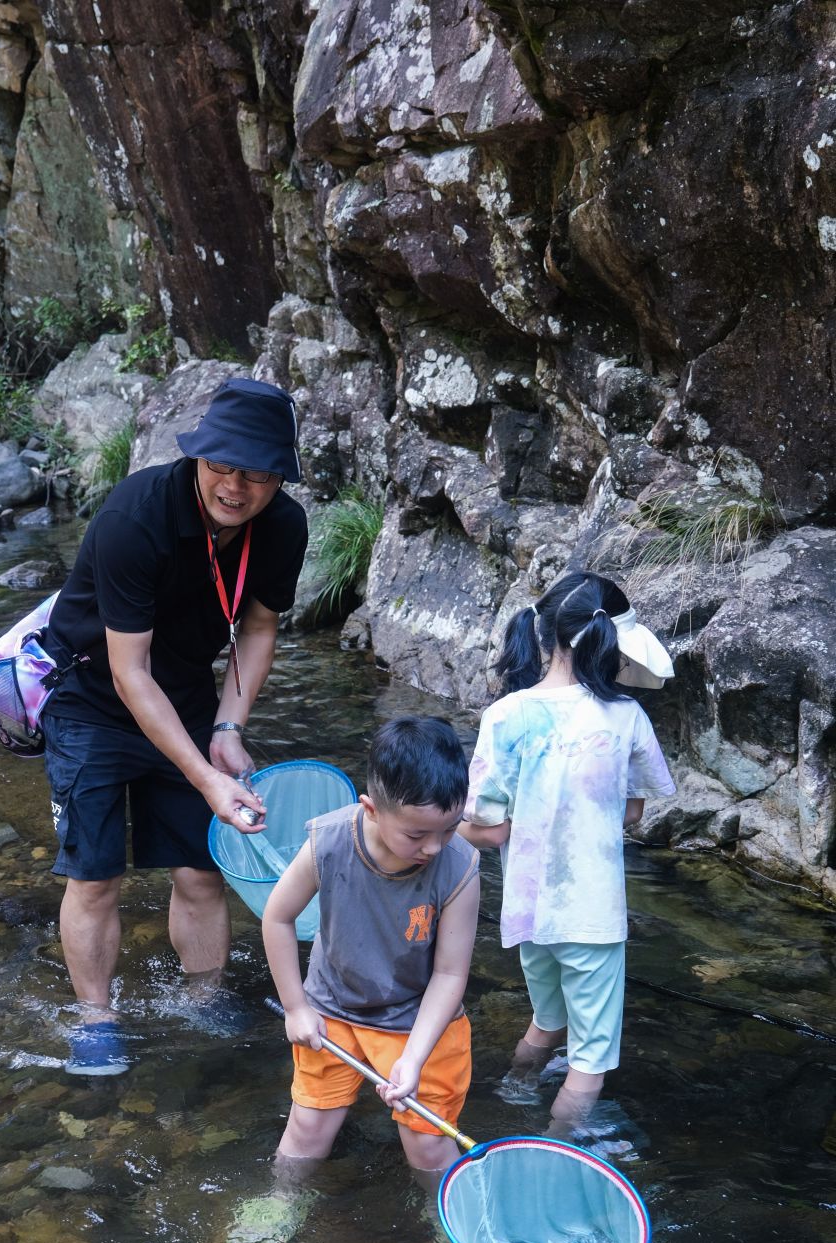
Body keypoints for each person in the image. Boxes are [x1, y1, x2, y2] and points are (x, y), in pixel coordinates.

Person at [40, 377, 308, 1072]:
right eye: (221, 464)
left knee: (200, 867)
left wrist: (227, 727)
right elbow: (130, 673)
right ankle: (95, 1017)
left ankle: (204, 994)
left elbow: (258, 626)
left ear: (280, 474)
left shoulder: (283, 527)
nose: (234, 485)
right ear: (197, 456)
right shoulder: (138, 517)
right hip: (94, 697)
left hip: (186, 696)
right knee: (96, 875)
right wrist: (208, 780)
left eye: (255, 472)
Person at [459, 571, 675, 1133]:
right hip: (593, 918)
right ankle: (556, 1153)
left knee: (547, 1019)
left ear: (546, 631)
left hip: (529, 915)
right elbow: (632, 812)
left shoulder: (506, 716)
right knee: (589, 1063)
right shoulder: (626, 716)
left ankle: (513, 1089)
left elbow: (486, 825)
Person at [263, 716, 480, 1177]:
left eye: (449, 829)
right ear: (372, 809)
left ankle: (450, 1231)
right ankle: (281, 1204)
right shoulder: (329, 843)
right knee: (307, 1129)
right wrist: (295, 1008)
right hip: (332, 1008)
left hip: (416, 1017)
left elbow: (450, 974)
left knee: (427, 1146)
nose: (435, 848)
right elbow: (277, 917)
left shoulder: (459, 867)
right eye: (418, 835)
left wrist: (414, 1058)